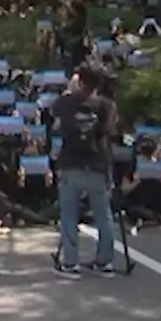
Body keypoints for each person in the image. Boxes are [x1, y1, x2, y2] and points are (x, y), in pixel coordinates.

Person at [51, 64, 117, 279]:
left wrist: (71, 90)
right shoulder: (107, 105)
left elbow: (55, 113)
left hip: (71, 163)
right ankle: (104, 261)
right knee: (103, 215)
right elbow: (107, 133)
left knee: (69, 214)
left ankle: (71, 262)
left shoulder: (66, 101)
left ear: (79, 81)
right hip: (98, 163)